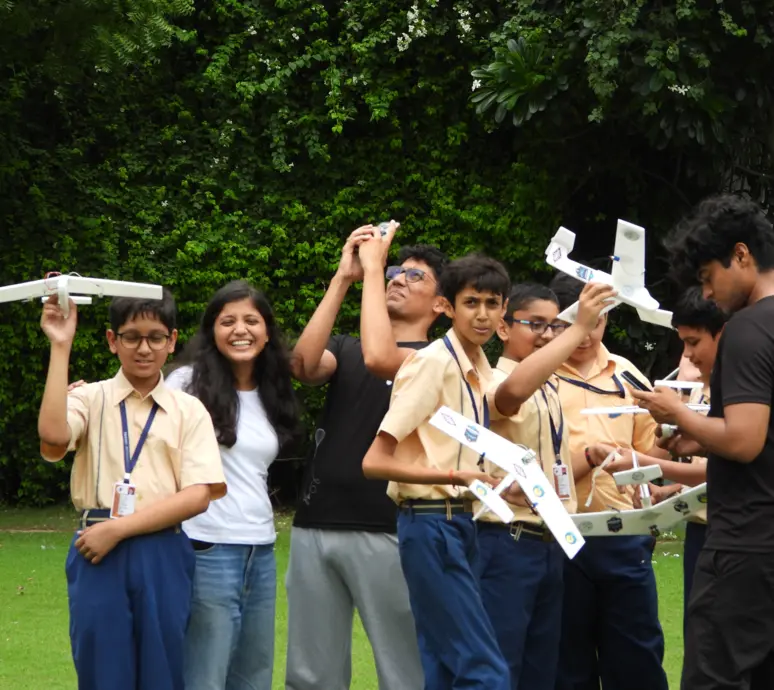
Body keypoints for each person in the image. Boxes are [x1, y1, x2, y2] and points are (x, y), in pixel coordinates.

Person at [362, 256, 614, 690]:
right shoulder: (432, 363)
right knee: (487, 672)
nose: (481, 314)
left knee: (450, 667)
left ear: (501, 310)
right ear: (445, 307)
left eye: (491, 303)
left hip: (461, 521)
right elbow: (374, 461)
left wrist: (493, 485)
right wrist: (454, 478)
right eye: (470, 302)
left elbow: (491, 423)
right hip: (431, 523)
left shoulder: (475, 366)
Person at [37, 290, 226, 690]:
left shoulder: (188, 409)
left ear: (172, 341)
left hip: (161, 548)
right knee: (102, 670)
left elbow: (198, 494)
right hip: (96, 548)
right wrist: (60, 345)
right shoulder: (90, 397)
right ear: (111, 340)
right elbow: (53, 435)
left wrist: (120, 530)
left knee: (162, 670)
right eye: (131, 336)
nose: (144, 348)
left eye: (156, 337)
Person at [286, 223, 447, 690]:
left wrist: (375, 268)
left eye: (414, 276)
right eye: (395, 271)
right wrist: (345, 277)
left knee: (405, 671)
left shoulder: (440, 360)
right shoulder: (348, 349)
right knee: (310, 675)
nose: (397, 278)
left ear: (441, 305)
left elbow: (383, 357)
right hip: (316, 522)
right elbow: (303, 365)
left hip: (392, 528)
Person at [634, 195, 774, 690]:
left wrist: (676, 412)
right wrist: (696, 438)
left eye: (708, 276)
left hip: (746, 546)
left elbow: (744, 440)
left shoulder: (749, 329)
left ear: (741, 255)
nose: (708, 293)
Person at [165, 281, 300, 690]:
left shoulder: (273, 390)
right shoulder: (185, 383)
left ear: (267, 330)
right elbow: (140, 421)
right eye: (228, 322)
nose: (240, 330)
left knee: (254, 674)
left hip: (260, 549)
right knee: (205, 674)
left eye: (251, 321)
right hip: (207, 546)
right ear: (212, 331)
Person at [477, 282, 611, 690]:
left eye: (556, 326)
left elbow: (550, 470)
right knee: (501, 667)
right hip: (504, 540)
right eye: (536, 324)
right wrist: (578, 327)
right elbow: (511, 393)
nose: (548, 335)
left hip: (549, 541)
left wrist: (590, 458)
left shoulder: (551, 388)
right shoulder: (489, 377)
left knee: (543, 670)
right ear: (502, 328)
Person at [548, 272, 669, 690]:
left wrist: (638, 464)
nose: (584, 335)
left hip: (623, 534)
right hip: (558, 535)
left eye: (596, 322)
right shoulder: (538, 377)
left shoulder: (627, 375)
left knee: (636, 656)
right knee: (565, 659)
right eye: (571, 325)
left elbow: (657, 451)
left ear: (608, 319)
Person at [602, 287, 725, 613]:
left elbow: (728, 468)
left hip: (739, 537)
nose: (687, 357)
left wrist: (644, 463)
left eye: (693, 344)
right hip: (704, 530)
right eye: (683, 346)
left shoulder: (745, 389)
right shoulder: (704, 392)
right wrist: (671, 490)